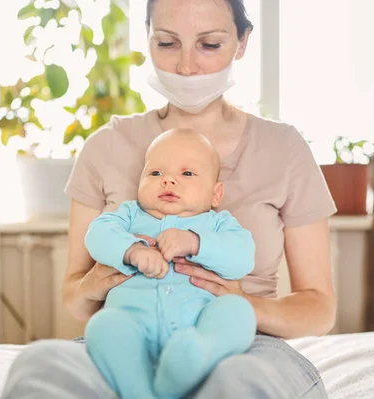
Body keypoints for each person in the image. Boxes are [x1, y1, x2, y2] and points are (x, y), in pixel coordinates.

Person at [0, 0, 337, 398]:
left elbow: (319, 307)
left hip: (241, 345)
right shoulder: (106, 147)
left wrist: (241, 305)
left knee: (238, 386)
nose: (186, 66)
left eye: (209, 44)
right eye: (167, 43)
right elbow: (75, 297)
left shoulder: (284, 149)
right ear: (148, 39)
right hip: (129, 335)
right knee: (38, 369)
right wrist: (101, 277)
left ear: (242, 42)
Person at [83, 128, 257, 399]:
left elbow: (242, 258)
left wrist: (195, 243)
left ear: (216, 194)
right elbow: (96, 235)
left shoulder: (218, 223)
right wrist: (132, 251)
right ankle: (139, 392)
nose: (168, 181)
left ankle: (199, 355)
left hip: (198, 326)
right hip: (132, 330)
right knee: (103, 326)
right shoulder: (129, 215)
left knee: (238, 310)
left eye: (187, 173)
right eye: (155, 173)